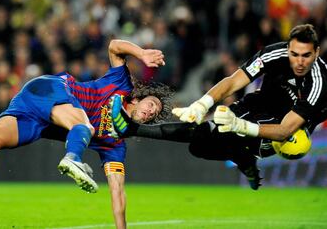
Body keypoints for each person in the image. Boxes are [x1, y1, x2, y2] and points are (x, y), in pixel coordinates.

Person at [0, 39, 174, 229]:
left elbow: (117, 191)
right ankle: (73, 158)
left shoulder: (116, 145)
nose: (151, 111)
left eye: (155, 113)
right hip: (51, 88)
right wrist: (142, 54)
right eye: (152, 103)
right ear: (139, 98)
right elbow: (114, 46)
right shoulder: (122, 84)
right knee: (85, 126)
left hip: (38, 118)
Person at [109, 24, 327, 190]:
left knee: (221, 134)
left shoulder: (318, 83)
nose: (299, 61)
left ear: (316, 52)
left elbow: (285, 130)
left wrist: (239, 125)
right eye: (294, 54)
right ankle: (245, 161)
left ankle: (132, 129)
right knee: (199, 144)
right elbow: (233, 81)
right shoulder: (273, 54)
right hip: (256, 105)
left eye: (306, 55)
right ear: (288, 48)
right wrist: (201, 105)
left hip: (282, 128)